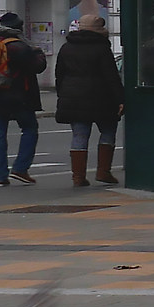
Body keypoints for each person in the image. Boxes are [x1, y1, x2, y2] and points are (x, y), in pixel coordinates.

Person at [53, 14, 123, 187]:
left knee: (79, 134)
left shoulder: (66, 47)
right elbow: (111, 76)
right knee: (107, 131)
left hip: (73, 97)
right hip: (101, 97)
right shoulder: (101, 48)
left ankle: (78, 176)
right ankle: (103, 171)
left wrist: (63, 93)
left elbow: (59, 74)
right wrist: (120, 98)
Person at [0, 13, 46, 188]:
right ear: (19, 28)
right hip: (18, 96)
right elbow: (38, 67)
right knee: (30, 128)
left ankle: (0, 175)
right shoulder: (19, 46)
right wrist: (37, 51)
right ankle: (20, 168)